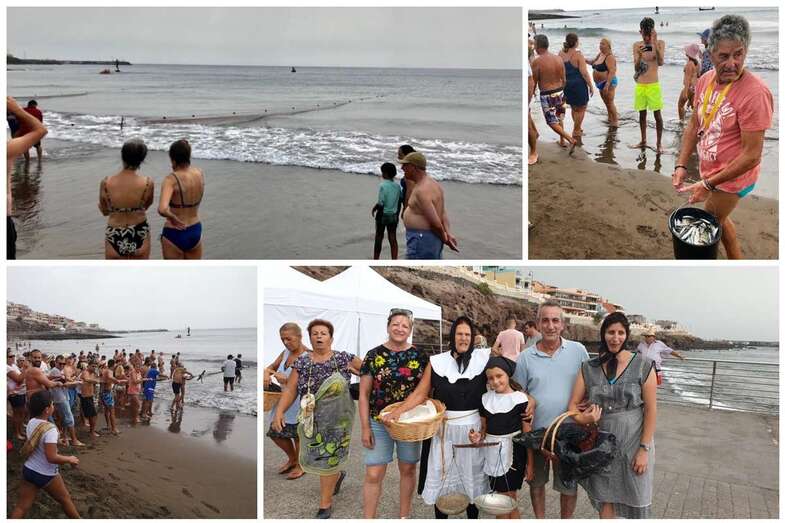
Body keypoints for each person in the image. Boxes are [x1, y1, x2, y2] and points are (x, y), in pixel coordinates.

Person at [385, 317, 523, 519]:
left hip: (473, 431)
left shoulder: (484, 357)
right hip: (444, 431)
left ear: (472, 337)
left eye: (467, 334)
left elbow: (506, 378)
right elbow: (420, 394)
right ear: (452, 336)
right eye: (459, 334)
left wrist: (528, 400)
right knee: (442, 479)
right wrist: (397, 412)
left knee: (472, 482)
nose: (463, 338)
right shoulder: (437, 362)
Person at [673, 14, 773, 259]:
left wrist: (708, 185)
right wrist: (681, 164)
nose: (732, 63)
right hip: (711, 170)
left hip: (734, 177)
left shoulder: (755, 94)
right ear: (710, 53)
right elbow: (694, 124)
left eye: (738, 54)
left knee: (708, 220)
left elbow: (752, 155)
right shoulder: (705, 80)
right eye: (724, 56)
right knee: (721, 219)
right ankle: (737, 263)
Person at [568, 312, 657, 518]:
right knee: (605, 496)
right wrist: (584, 419)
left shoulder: (643, 365)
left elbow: (651, 409)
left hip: (634, 441)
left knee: (636, 494)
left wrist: (644, 449)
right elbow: (572, 405)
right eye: (610, 332)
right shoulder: (589, 367)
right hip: (601, 443)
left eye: (620, 333)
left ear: (626, 335)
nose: (615, 338)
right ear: (603, 334)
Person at [272, 319, 362, 519]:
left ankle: (325, 504)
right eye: (315, 333)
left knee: (328, 459)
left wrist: (363, 376)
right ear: (310, 338)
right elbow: (291, 390)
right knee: (317, 456)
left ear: (331, 338)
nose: (319, 336)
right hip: (312, 418)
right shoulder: (302, 362)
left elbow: (370, 373)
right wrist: (279, 412)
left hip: (339, 420)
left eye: (323, 333)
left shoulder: (344, 358)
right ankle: (337, 475)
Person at [512, 301, 589, 519]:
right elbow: (517, 392)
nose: (550, 325)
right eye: (545, 320)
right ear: (538, 324)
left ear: (562, 324)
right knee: (536, 484)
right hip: (537, 433)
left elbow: (590, 384)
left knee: (569, 487)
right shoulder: (525, 357)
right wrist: (527, 398)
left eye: (555, 320)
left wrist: (588, 403)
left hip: (571, 431)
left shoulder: (579, 351)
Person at [359, 309, 429, 519]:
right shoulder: (373, 355)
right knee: (373, 472)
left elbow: (424, 392)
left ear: (410, 330)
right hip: (378, 422)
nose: (400, 328)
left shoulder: (420, 356)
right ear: (388, 327)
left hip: (409, 423)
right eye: (396, 324)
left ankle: (404, 516)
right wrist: (365, 428)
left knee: (408, 469)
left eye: (405, 325)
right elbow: (363, 394)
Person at [468, 357, 533, 519]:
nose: (495, 381)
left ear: (508, 375)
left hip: (514, 455)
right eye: (491, 378)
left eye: (499, 376)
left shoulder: (520, 399)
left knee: (507, 500)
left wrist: (530, 464)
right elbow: (484, 430)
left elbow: (528, 435)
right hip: (492, 454)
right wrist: (477, 437)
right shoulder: (485, 399)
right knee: (503, 499)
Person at [10, 390, 80, 518]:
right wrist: (69, 459)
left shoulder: (31, 422)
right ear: (47, 410)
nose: (53, 406)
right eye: (52, 404)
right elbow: (51, 457)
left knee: (21, 506)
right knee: (65, 500)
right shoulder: (50, 429)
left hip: (29, 469)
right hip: (45, 473)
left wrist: (57, 442)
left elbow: (38, 441)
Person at [265, 322, 310, 481]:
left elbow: (309, 382)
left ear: (300, 336)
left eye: (289, 339)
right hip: (282, 401)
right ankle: (292, 459)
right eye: (282, 339)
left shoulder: (308, 356)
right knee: (275, 432)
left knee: (298, 436)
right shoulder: (285, 353)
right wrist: (267, 372)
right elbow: (272, 366)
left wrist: (287, 380)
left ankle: (301, 465)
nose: (285, 342)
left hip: (299, 401)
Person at [99, 139, 154, 259]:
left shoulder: (106, 182)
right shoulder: (147, 183)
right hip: (139, 231)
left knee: (115, 271)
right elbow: (146, 206)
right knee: (140, 270)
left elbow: (104, 211)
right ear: (141, 159)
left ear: (122, 156)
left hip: (115, 231)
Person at [7, 96, 48, 259]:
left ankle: (28, 160)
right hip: (5, 220)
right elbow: (41, 128)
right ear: (35, 105)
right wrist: (16, 108)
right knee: (37, 146)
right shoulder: (6, 150)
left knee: (24, 149)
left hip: (23, 132)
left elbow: (15, 122)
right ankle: (39, 159)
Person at [400, 152, 458, 259]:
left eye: (405, 165)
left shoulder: (421, 190)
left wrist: (445, 239)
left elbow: (435, 224)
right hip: (429, 239)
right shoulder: (434, 184)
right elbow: (442, 212)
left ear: (413, 167)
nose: (402, 168)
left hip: (422, 241)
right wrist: (448, 233)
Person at [158, 139, 204, 259]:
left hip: (174, 232)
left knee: (174, 271)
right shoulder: (199, 173)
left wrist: (173, 218)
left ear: (173, 159)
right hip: (195, 229)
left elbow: (162, 209)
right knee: (193, 270)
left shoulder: (171, 180)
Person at [531, 35, 575, 150]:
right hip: (560, 91)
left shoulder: (537, 62)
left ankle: (569, 139)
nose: (534, 47)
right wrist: (562, 90)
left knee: (551, 122)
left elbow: (534, 81)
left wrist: (531, 94)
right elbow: (564, 79)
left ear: (538, 46)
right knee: (559, 117)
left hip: (547, 94)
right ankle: (562, 141)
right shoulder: (558, 58)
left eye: (534, 45)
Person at [632, 18, 666, 153]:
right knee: (642, 115)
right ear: (640, 32)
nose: (646, 38)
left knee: (657, 116)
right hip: (640, 85)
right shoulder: (637, 45)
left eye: (648, 34)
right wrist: (640, 56)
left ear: (652, 32)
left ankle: (659, 144)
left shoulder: (660, 43)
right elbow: (636, 68)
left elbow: (661, 62)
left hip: (653, 85)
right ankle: (643, 140)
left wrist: (654, 43)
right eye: (643, 34)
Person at [559, 33, 594, 142]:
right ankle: (576, 130)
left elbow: (559, 70)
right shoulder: (578, 54)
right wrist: (591, 85)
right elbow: (584, 73)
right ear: (575, 42)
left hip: (566, 85)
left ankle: (577, 128)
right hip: (578, 85)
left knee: (574, 108)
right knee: (582, 108)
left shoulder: (560, 53)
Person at [48, 356, 84, 447]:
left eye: (63, 364)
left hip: (63, 396)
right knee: (69, 418)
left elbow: (66, 381)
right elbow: (65, 384)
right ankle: (74, 440)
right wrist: (78, 382)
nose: (62, 365)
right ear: (55, 362)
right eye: (60, 363)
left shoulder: (60, 371)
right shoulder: (55, 371)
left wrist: (74, 380)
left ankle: (65, 437)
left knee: (65, 418)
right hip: (60, 398)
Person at [372, 162, 402, 260]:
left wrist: (375, 208)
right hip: (393, 215)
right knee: (392, 238)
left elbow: (381, 202)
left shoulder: (383, 185)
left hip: (383, 214)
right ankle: (394, 259)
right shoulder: (397, 187)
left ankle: (376, 259)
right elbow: (400, 199)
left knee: (379, 237)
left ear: (385, 173)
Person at [587, 38, 619, 127]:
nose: (600, 45)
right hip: (600, 83)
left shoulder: (609, 57)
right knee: (606, 102)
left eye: (603, 44)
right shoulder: (600, 54)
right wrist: (582, 59)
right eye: (600, 43)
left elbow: (612, 71)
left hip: (608, 82)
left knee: (610, 102)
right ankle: (610, 118)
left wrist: (607, 85)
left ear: (608, 46)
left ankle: (615, 122)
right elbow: (592, 62)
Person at [100, 359, 126, 435]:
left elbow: (105, 379)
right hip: (107, 393)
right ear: (113, 364)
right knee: (112, 411)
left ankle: (108, 426)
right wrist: (117, 381)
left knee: (106, 410)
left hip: (104, 392)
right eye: (115, 365)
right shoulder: (109, 371)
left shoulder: (105, 370)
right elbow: (110, 377)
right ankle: (114, 429)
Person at [78, 360, 101, 439]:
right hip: (85, 397)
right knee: (93, 415)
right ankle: (92, 432)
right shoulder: (85, 372)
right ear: (88, 366)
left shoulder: (93, 373)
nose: (94, 368)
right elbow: (86, 379)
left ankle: (91, 430)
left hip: (90, 396)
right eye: (93, 366)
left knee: (91, 415)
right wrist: (95, 381)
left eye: (95, 366)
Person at [678, 44, 701, 120]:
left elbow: (687, 79)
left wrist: (685, 91)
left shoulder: (689, 64)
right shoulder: (697, 64)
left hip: (689, 87)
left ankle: (682, 122)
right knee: (694, 107)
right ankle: (697, 122)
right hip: (695, 88)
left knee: (680, 105)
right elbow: (698, 76)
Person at [7, 351, 27, 440]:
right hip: (15, 394)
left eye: (13, 356)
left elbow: (21, 375)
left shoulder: (13, 366)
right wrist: (25, 368)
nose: (13, 357)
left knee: (22, 412)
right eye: (10, 356)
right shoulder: (6, 367)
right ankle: (17, 433)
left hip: (21, 392)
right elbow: (18, 379)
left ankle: (20, 430)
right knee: (17, 414)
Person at [397, 145, 415, 217]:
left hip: (410, 205)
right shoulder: (413, 166)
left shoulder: (409, 170)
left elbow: (409, 191)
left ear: (406, 155)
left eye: (400, 154)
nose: (398, 157)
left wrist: (405, 208)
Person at [528, 49, 539, 165]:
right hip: (529, 94)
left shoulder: (528, 64)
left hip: (528, 95)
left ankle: (533, 152)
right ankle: (536, 133)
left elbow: (531, 81)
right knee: (529, 119)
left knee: (528, 127)